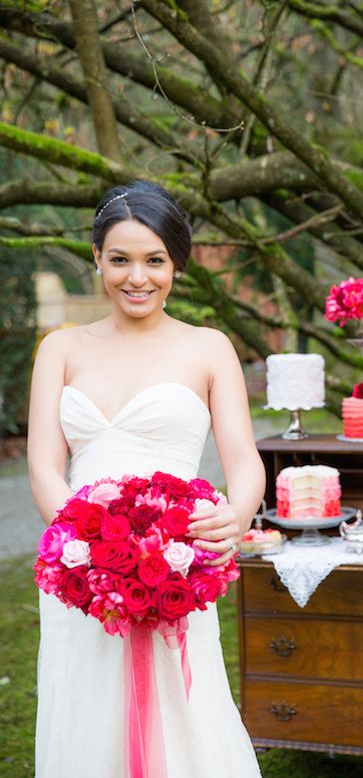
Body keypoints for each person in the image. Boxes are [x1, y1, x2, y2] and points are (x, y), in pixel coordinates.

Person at [27, 180, 265, 777]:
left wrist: (236, 514)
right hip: (83, 572)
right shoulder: (59, 348)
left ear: (176, 264)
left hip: (176, 563)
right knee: (86, 711)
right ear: (97, 260)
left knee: (186, 712)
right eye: (120, 259)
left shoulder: (209, 348)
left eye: (154, 260)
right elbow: (42, 467)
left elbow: (243, 459)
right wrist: (84, 551)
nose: (138, 277)